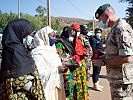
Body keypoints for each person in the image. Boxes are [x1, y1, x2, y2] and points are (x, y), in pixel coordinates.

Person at [93, 3, 133, 100]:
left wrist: (103, 62)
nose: (100, 23)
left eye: (100, 20)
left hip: (123, 82)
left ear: (106, 16)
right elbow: (117, 52)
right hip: (116, 80)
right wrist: (104, 56)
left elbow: (127, 57)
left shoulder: (121, 28)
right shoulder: (114, 29)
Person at [0, 19, 45, 100]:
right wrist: (32, 88)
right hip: (21, 95)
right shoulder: (14, 51)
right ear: (18, 34)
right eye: (26, 35)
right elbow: (14, 77)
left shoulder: (20, 48)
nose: (29, 38)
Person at [31, 26, 67, 100]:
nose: (54, 38)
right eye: (52, 36)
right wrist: (56, 70)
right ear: (44, 37)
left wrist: (63, 68)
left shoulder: (52, 50)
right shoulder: (38, 53)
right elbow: (38, 73)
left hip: (57, 87)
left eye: (55, 36)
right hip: (48, 89)